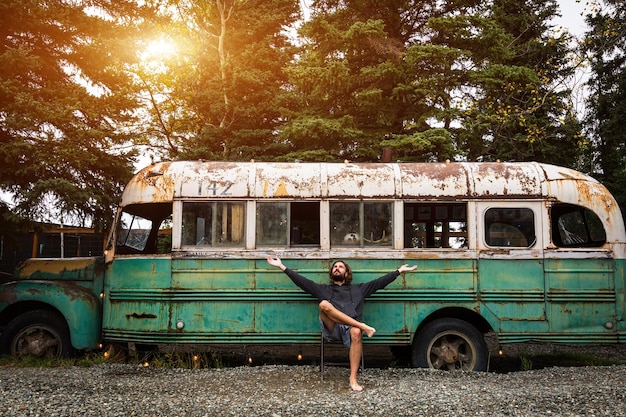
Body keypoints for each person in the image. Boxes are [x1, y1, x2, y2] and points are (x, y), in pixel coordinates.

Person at [266, 256, 417, 392]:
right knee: (324, 304)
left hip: (350, 330)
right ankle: (364, 327)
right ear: (332, 272)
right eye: (335, 267)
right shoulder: (323, 289)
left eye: (340, 267)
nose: (337, 268)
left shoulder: (359, 289)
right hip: (331, 328)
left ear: (346, 273)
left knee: (356, 332)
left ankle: (353, 379)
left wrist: (399, 271)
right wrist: (282, 266)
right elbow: (302, 282)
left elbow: (379, 283)